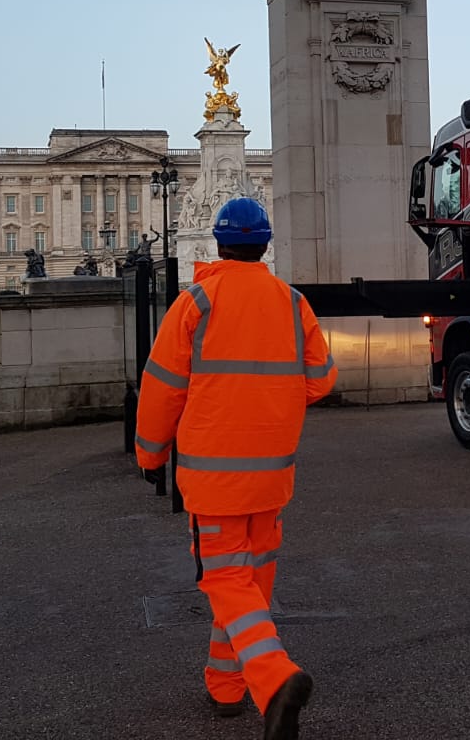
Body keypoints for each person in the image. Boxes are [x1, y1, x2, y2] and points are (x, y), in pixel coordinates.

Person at [135, 197, 337, 738]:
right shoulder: (292, 302)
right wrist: (272, 401)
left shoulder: (196, 301)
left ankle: (274, 677)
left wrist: (150, 454)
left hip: (213, 476)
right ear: (265, 245)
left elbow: (162, 386)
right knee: (251, 585)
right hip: (272, 473)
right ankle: (227, 688)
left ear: (219, 244)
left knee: (226, 579)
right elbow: (321, 380)